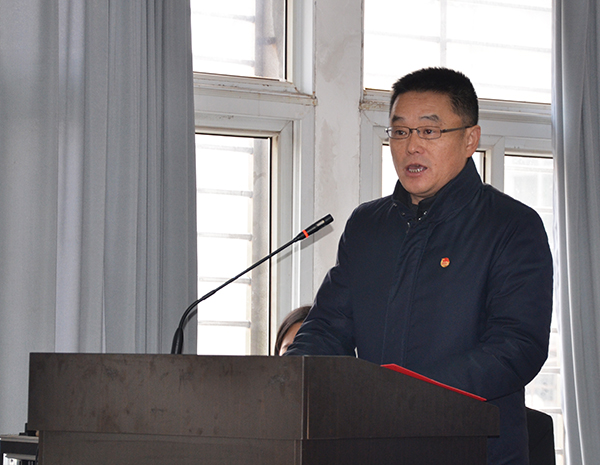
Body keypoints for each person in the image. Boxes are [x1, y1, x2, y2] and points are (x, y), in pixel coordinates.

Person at [284, 67, 553, 464]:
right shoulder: (368, 225)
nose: (411, 146)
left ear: (470, 139)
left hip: (474, 450)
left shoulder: (511, 225)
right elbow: (326, 328)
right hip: (374, 446)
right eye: (400, 131)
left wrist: (409, 396)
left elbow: (517, 346)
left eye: (429, 131)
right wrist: (286, 383)